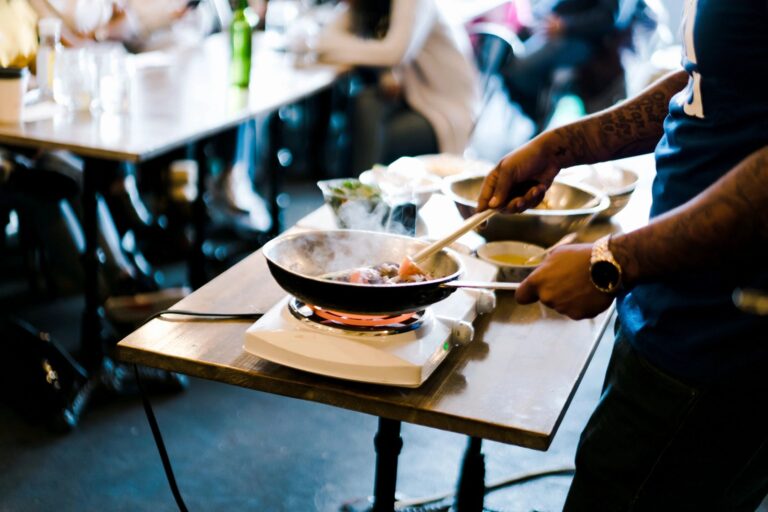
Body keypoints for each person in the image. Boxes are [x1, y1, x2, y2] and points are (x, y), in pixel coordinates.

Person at [478, 0, 768, 509]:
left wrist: (615, 259)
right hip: (673, 311)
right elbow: (707, 88)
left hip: (722, 344)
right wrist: (564, 145)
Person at [315, 0, 481, 173]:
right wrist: (384, 71)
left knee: (364, 132)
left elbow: (394, 53)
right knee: (365, 103)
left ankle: (362, 187)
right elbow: (323, 39)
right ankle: (357, 189)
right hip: (410, 96)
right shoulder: (366, 5)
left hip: (445, 108)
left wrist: (337, 48)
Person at [501, 0, 621, 126]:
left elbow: (608, 17)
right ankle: (537, 116)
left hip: (587, 40)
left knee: (520, 70)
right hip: (562, 30)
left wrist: (565, 25)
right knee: (508, 56)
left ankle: (538, 118)